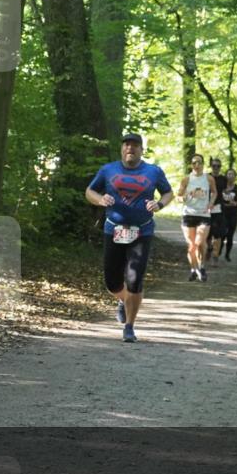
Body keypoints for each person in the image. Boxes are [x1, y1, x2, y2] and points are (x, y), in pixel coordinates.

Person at [85, 133, 174, 343]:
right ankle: (124, 300)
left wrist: (159, 204)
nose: (130, 149)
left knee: (134, 280)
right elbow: (89, 191)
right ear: (121, 149)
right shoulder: (108, 170)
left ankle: (129, 326)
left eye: (134, 146)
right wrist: (100, 199)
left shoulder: (153, 171)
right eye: (126, 145)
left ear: (141, 150)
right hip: (113, 230)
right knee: (111, 282)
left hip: (141, 231)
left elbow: (169, 193)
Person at [177, 153, 216, 282]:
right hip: (188, 214)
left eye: (199, 162)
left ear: (203, 164)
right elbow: (178, 195)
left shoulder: (209, 178)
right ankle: (193, 269)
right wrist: (182, 198)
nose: (197, 165)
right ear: (191, 165)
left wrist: (211, 203)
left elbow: (214, 192)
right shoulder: (186, 179)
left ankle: (202, 267)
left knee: (200, 243)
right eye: (194, 163)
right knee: (191, 245)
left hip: (203, 214)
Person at [206, 157, 228, 265]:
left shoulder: (223, 179)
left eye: (218, 166)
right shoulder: (206, 177)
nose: (216, 168)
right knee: (207, 235)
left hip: (219, 209)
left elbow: (227, 191)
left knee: (218, 235)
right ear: (211, 166)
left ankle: (215, 256)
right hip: (206, 209)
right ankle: (209, 248)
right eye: (214, 166)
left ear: (220, 167)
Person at [220, 168, 237, 261]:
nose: (230, 176)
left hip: (233, 213)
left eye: (232, 174)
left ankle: (227, 254)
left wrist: (236, 203)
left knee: (230, 235)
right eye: (228, 174)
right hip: (223, 213)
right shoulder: (222, 187)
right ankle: (218, 251)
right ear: (226, 176)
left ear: (235, 177)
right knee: (222, 233)